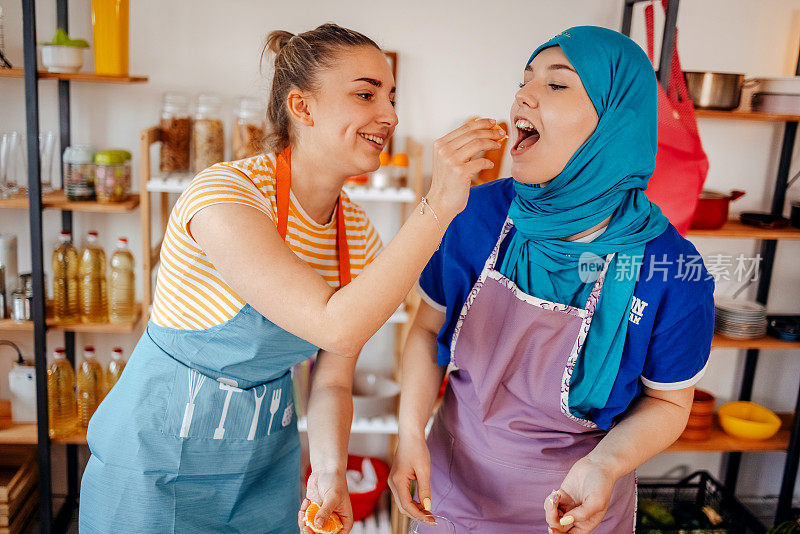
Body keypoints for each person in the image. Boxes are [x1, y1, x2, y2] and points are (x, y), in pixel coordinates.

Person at [79, 24, 504, 534]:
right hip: (156, 462)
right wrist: (438, 206)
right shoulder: (224, 197)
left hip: (263, 467)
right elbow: (336, 327)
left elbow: (332, 378)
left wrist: (328, 472)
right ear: (301, 107)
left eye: (391, 97)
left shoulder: (357, 235)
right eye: (366, 94)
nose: (389, 115)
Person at [389, 26, 715, 534]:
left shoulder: (671, 269)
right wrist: (409, 431)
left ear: (614, 122)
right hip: (452, 491)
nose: (523, 94)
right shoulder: (475, 214)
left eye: (557, 84)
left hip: (578, 504)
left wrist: (602, 466)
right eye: (525, 80)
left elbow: (669, 402)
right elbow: (427, 330)